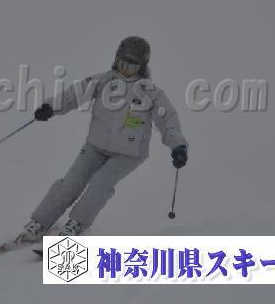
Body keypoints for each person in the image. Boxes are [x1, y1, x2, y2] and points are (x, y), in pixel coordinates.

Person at [14, 36, 189, 244]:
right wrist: (50, 107)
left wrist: (178, 146)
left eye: (131, 67)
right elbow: (72, 95)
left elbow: (167, 119)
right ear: (116, 60)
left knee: (100, 183)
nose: (125, 70)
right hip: (96, 146)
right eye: (122, 63)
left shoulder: (151, 93)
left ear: (141, 68)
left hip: (128, 153)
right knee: (70, 183)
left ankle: (77, 224)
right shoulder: (102, 81)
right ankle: (39, 223)